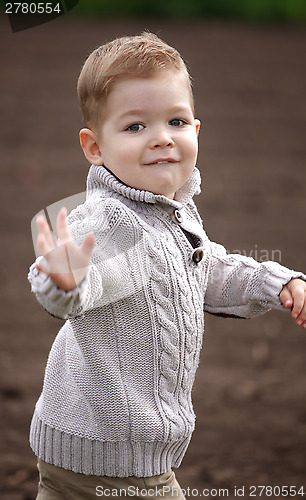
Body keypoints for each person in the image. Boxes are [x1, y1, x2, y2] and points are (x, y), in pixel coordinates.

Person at [28, 32, 306, 500]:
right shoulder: (111, 218)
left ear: (195, 132)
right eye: (135, 126)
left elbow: (206, 270)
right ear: (95, 147)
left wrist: (276, 281)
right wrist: (65, 281)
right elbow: (87, 284)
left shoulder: (170, 210)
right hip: (113, 464)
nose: (161, 138)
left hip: (100, 452)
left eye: (175, 121)